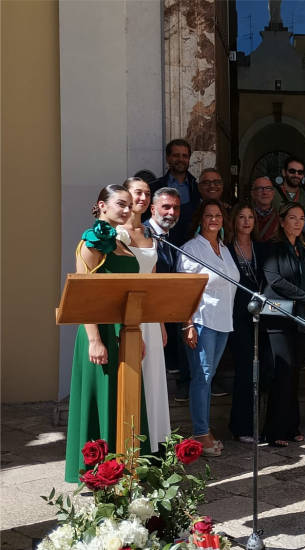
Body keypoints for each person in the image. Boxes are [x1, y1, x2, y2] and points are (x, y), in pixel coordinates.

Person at [65, 185, 142, 482]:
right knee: (102, 398)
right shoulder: (91, 242)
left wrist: (138, 336)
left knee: (125, 399)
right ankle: (98, 471)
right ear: (102, 206)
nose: (126, 210)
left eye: (129, 205)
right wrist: (95, 340)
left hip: (126, 332)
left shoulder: (121, 240)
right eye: (120, 204)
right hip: (100, 331)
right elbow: (83, 297)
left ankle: (125, 466)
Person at [178, 199, 240, 457]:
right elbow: (184, 289)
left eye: (218, 215)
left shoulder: (224, 248)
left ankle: (201, 429)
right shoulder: (192, 248)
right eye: (209, 215)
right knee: (202, 377)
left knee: (208, 376)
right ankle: (201, 432)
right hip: (202, 321)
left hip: (224, 321)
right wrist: (188, 323)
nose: (214, 219)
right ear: (200, 219)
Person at [261, 202, 305, 446]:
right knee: (281, 373)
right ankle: (274, 431)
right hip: (277, 318)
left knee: (294, 374)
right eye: (293, 218)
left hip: (300, 319)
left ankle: (291, 425)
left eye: (302, 218)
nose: (298, 222)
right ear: (282, 221)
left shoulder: (304, 250)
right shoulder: (272, 248)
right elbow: (274, 280)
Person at [121, 177, 171, 452]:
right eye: (137, 192)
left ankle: (154, 447)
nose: (142, 197)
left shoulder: (149, 234)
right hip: (127, 315)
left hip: (150, 317)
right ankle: (130, 444)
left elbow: (153, 282)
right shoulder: (116, 233)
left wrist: (160, 322)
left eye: (146, 193)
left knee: (153, 380)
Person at [226, 202, 268, 443]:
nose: (246, 221)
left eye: (250, 216)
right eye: (241, 216)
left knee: (260, 370)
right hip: (236, 316)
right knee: (244, 370)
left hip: (260, 316)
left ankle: (256, 424)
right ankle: (241, 426)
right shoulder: (226, 249)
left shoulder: (261, 248)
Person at [145, 187, 190, 400]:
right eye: (166, 207)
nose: (172, 212)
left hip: (164, 313)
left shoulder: (169, 238)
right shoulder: (143, 234)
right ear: (153, 209)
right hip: (147, 315)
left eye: (176, 208)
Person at [148, 138, 200, 245]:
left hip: (191, 245)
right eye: (176, 155)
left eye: (184, 156)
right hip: (163, 244)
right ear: (168, 158)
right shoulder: (155, 187)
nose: (181, 159)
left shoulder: (197, 187)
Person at [250, 176, 280, 242]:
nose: (265, 192)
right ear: (252, 193)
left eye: (268, 188)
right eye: (260, 189)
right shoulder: (246, 216)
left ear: (273, 193)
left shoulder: (280, 217)